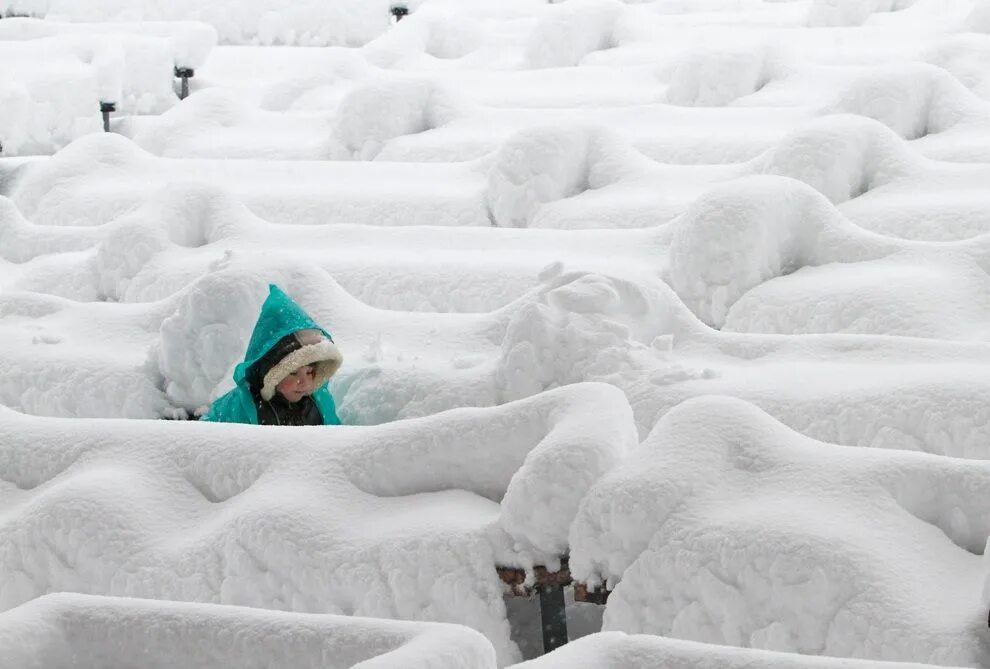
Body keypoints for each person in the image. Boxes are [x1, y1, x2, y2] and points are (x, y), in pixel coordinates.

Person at [200, 284, 343, 425]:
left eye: (310, 371)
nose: (304, 382)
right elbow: (209, 435)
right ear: (270, 373)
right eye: (293, 372)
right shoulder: (242, 405)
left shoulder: (319, 401)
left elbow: (335, 435)